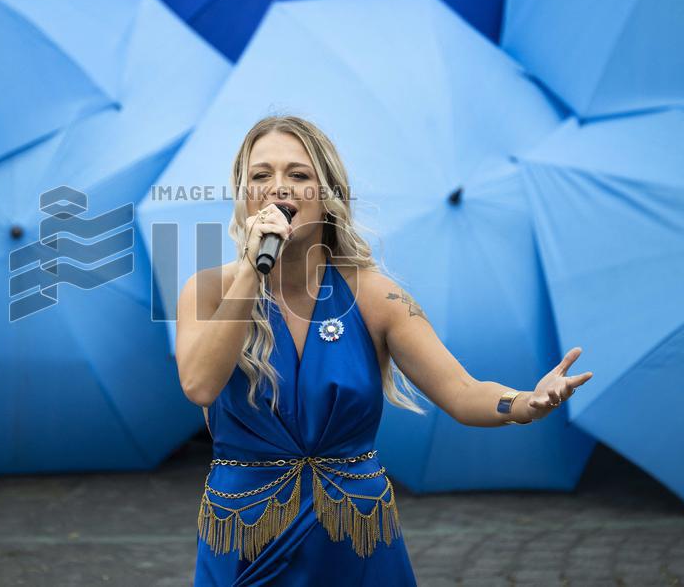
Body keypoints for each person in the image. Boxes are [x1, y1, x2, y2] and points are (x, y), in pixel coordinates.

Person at [175, 115, 593, 586]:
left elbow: (461, 392)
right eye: (261, 175)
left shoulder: (376, 296)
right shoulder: (208, 290)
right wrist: (252, 269)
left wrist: (523, 403)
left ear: (327, 192)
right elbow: (199, 384)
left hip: (353, 535)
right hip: (245, 537)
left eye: (299, 174)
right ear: (244, 193)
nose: (279, 187)